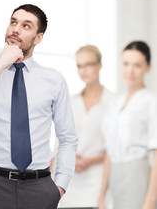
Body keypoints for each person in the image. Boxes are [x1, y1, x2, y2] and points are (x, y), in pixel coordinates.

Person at [0, 4, 78, 209]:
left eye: (26, 25)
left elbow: (67, 137)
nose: (16, 29)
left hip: (39, 188)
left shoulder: (54, 80)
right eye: (13, 22)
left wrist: (60, 186)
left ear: (38, 38)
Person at [98, 41, 157, 209]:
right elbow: (109, 152)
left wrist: (150, 201)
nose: (130, 71)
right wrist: (102, 196)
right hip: (115, 177)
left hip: (137, 175)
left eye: (137, 65)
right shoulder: (115, 104)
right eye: (126, 64)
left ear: (148, 67)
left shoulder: (151, 102)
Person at [58, 45, 114, 207]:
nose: (84, 70)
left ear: (100, 65)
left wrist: (90, 161)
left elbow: (115, 149)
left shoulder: (113, 103)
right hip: (69, 187)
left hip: (96, 186)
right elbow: (60, 142)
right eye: (79, 66)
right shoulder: (71, 101)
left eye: (88, 64)